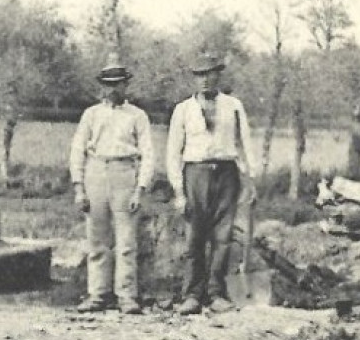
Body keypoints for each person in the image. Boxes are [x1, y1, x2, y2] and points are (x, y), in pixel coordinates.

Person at [166, 52, 256, 315]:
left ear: (218, 75)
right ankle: (192, 295)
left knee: (223, 237)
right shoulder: (183, 110)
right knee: (194, 237)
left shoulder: (234, 106)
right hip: (195, 174)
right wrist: (179, 192)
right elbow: (173, 152)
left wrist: (250, 180)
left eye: (209, 74)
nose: (205, 80)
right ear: (194, 79)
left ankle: (216, 293)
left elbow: (245, 145)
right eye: (199, 75)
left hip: (226, 174)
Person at [68, 60, 154, 314]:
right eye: (108, 85)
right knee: (97, 238)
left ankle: (126, 296)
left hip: (124, 173)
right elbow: (77, 150)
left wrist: (140, 188)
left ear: (126, 85)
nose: (113, 90)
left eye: (118, 84)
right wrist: (79, 188)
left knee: (126, 240)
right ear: (101, 88)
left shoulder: (137, 116)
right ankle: (98, 294)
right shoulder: (91, 114)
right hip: (96, 171)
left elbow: (148, 153)